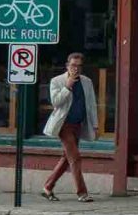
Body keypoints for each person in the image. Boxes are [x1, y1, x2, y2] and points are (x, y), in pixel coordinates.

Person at [41, 52, 99, 201]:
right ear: (67, 66)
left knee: (67, 158)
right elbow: (55, 102)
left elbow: (91, 105)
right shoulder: (57, 81)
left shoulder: (87, 82)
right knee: (76, 158)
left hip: (78, 124)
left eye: (79, 66)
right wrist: (68, 86)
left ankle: (47, 187)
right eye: (73, 65)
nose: (76, 69)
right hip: (64, 125)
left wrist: (95, 125)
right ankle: (82, 193)